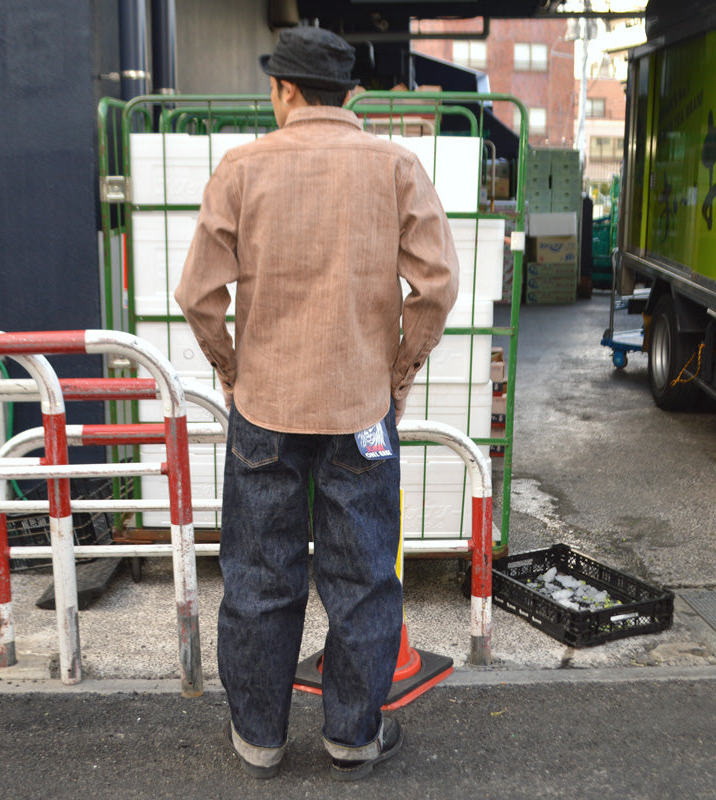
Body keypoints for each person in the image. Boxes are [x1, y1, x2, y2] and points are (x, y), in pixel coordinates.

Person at [175, 25, 458, 782]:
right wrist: (396, 375)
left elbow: (199, 295)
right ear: (350, 95)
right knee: (362, 577)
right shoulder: (396, 165)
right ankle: (351, 736)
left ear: (285, 91)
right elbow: (435, 287)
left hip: (265, 406)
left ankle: (261, 739)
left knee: (262, 577)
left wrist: (231, 369)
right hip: (360, 411)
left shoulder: (243, 167)